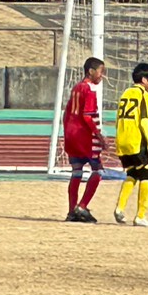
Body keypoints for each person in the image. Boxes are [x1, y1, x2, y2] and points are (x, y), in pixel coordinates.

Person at [113, 63, 148, 227]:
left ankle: (120, 208)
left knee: (132, 173)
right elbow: (144, 121)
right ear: (144, 79)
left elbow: (118, 118)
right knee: (145, 175)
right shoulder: (144, 96)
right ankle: (141, 215)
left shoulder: (125, 93)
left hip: (122, 140)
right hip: (136, 141)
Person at [61, 57, 106, 223]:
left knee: (77, 172)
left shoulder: (76, 88)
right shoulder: (89, 90)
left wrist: (67, 132)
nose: (103, 76)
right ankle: (82, 206)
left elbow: (66, 113)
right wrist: (99, 136)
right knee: (98, 170)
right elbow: (87, 116)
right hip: (85, 137)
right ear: (91, 71)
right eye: (102, 72)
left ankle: (72, 211)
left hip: (71, 136)